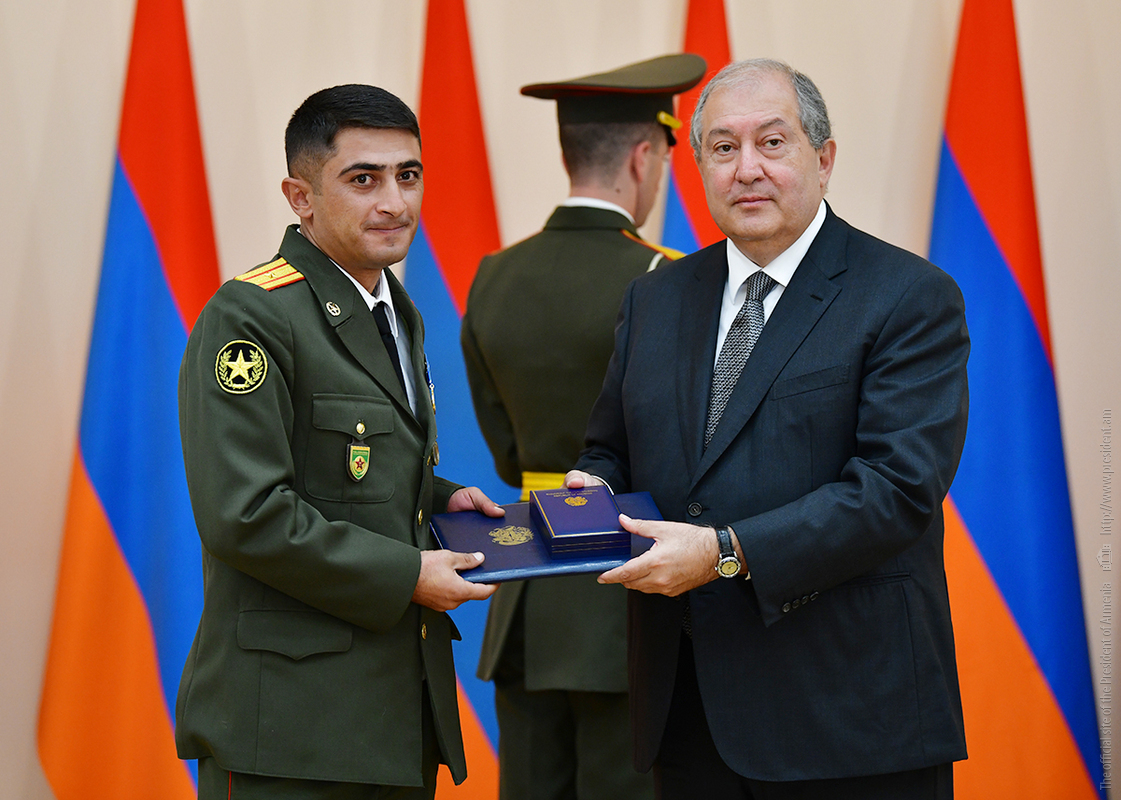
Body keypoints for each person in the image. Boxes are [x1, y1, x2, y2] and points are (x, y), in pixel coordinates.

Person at [567, 59, 970, 799]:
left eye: (772, 143)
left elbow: (897, 490)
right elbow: (610, 449)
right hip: (688, 713)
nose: (746, 168)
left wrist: (726, 553)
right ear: (698, 166)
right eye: (723, 148)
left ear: (824, 158)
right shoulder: (654, 299)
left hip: (848, 716)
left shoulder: (907, 296)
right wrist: (590, 488)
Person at [176, 83, 503, 800]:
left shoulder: (394, 308)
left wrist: (442, 500)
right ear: (300, 197)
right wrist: (408, 574)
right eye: (364, 179)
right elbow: (245, 513)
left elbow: (348, 469)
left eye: (408, 175)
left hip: (389, 719)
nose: (395, 202)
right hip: (289, 731)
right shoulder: (251, 317)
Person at [461, 54, 705, 800]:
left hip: (527, 593)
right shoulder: (666, 278)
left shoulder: (494, 274)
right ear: (643, 156)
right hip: (628, 591)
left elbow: (507, 449)